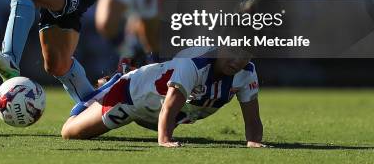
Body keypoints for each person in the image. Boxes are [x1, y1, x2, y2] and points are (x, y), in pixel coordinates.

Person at [61, 48, 266, 148]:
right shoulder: (195, 64)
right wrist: (165, 140)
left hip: (167, 116)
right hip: (133, 97)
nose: (237, 61)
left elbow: (253, 120)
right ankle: (115, 81)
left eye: (245, 54)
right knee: (70, 132)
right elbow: (169, 106)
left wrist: (254, 142)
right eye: (233, 52)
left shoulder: (247, 73)